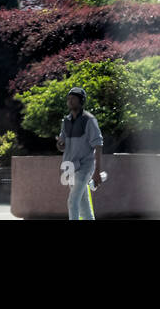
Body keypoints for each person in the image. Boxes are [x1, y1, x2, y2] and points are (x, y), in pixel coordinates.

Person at [56, 87, 103, 220]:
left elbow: (98, 145)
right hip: (70, 167)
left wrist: (97, 171)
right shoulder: (66, 121)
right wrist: (60, 144)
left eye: (73, 98)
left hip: (84, 167)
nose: (70, 101)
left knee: (72, 201)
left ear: (81, 101)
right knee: (84, 206)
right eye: (68, 99)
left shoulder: (89, 120)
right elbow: (62, 146)